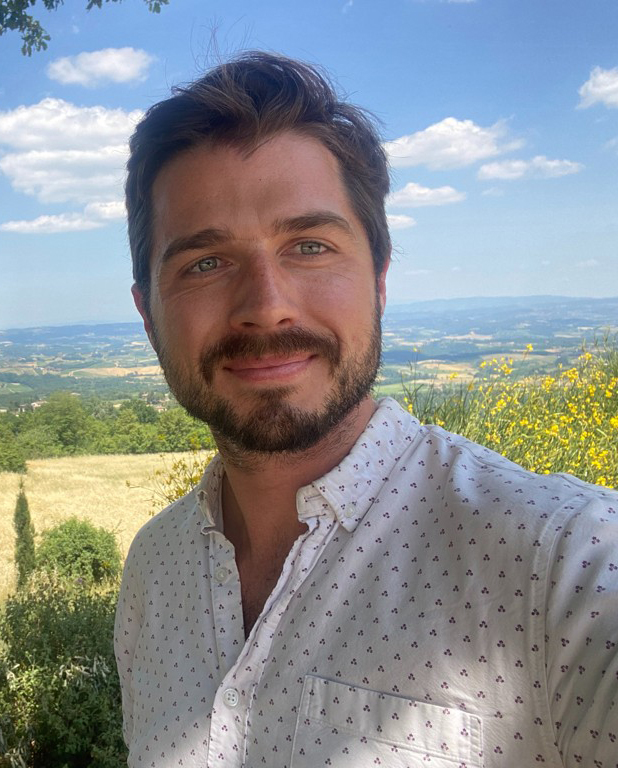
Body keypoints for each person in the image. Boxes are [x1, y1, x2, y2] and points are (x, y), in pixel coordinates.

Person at [115, 52, 618, 768]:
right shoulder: (152, 570)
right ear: (148, 315)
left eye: (309, 246)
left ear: (379, 281)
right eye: (205, 263)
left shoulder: (566, 565)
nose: (266, 306)